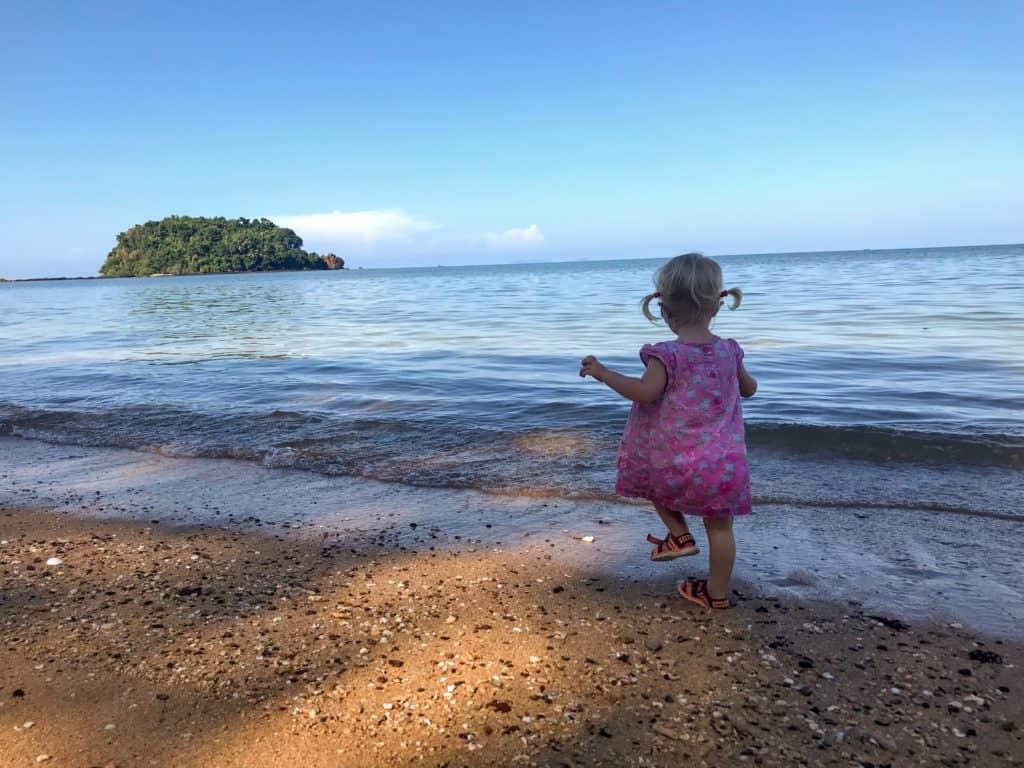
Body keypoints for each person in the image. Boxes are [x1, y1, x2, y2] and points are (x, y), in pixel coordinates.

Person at [579, 253, 757, 610]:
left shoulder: (666, 355)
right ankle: (716, 596)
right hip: (724, 463)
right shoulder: (730, 351)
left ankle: (679, 536)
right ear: (717, 306)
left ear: (665, 310)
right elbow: (748, 389)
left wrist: (603, 373)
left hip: (674, 460)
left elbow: (644, 393)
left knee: (649, 482)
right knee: (721, 530)